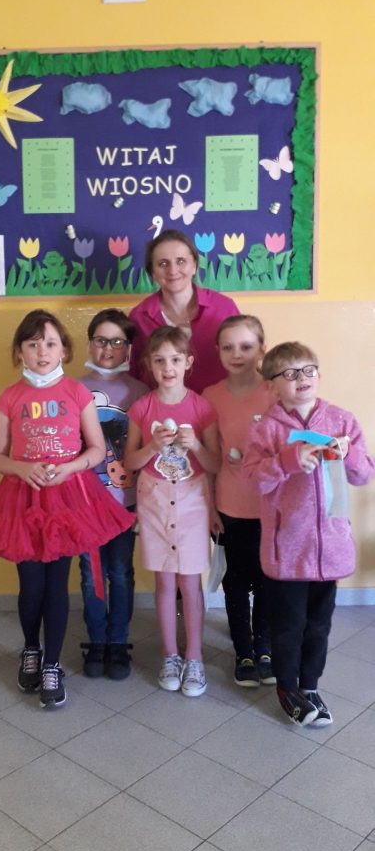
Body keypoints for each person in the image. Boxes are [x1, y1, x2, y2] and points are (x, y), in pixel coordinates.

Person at [0, 309, 134, 709]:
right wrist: (23, 468)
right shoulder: (9, 397)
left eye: (50, 343)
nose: (42, 351)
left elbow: (97, 449)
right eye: (33, 344)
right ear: (19, 351)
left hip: (67, 498)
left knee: (57, 585)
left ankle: (53, 664)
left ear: (64, 350)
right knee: (31, 585)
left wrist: (69, 467)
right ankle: (31, 648)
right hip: (23, 499)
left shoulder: (76, 393)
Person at [244, 341, 374, 726]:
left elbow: (363, 474)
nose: (301, 378)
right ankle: (287, 688)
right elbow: (254, 480)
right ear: (272, 386)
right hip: (287, 551)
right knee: (288, 627)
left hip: (329, 549)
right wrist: (288, 460)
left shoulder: (341, 420)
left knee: (319, 626)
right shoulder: (266, 429)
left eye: (308, 370)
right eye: (289, 373)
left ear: (319, 375)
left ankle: (311, 685)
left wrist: (348, 453)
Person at [125, 326, 217, 697]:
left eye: (175, 360)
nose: (168, 368)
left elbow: (215, 464)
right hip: (155, 500)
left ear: (188, 362)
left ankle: (194, 657)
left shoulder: (202, 407)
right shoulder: (142, 407)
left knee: (190, 583)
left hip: (193, 500)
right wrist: (151, 446)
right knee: (164, 582)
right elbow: (130, 461)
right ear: (149, 365)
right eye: (160, 360)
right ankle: (170, 655)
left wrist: (195, 445)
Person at [203, 315, 275, 687]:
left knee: (267, 579)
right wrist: (210, 508)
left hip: (270, 506)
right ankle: (243, 651)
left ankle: (264, 646)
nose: (237, 354)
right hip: (230, 506)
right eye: (228, 347)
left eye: (246, 346)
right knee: (236, 579)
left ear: (262, 349)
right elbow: (208, 461)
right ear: (217, 351)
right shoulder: (211, 396)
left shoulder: (276, 392)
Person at [79, 309, 147, 680]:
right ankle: (97, 640)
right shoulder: (74, 389)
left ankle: (118, 641)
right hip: (86, 504)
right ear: (90, 343)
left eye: (117, 342)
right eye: (101, 341)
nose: (108, 349)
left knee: (120, 573)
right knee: (91, 575)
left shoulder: (140, 392)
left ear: (128, 348)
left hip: (125, 503)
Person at [129, 229, 239, 394]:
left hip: (220, 404)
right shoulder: (139, 316)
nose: (173, 271)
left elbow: (245, 360)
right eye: (163, 264)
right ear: (152, 273)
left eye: (181, 261)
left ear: (194, 266)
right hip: (162, 407)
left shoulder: (224, 308)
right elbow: (133, 374)